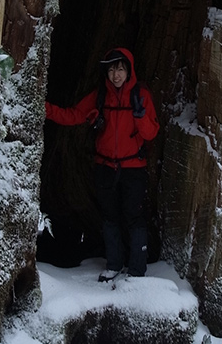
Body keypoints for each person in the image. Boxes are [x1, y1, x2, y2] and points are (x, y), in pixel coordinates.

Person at [45, 48, 160, 281]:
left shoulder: (141, 95)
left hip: (133, 169)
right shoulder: (101, 96)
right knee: (109, 218)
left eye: (120, 69)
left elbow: (150, 134)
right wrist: (44, 108)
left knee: (133, 218)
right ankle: (114, 264)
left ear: (128, 71)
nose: (115, 75)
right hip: (105, 167)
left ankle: (137, 269)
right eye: (111, 70)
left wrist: (139, 115)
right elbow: (74, 115)